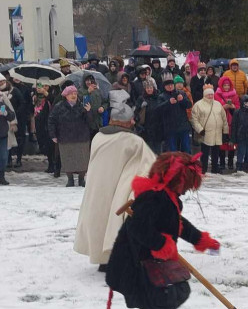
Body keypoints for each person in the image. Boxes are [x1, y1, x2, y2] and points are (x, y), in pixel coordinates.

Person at [103, 152, 220, 309]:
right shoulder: (154, 199)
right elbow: (137, 228)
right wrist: (159, 244)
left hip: (143, 270)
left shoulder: (167, 198)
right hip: (134, 273)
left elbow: (176, 223)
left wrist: (199, 239)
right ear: (177, 178)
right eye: (187, 183)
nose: (189, 189)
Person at [74, 96, 157, 269]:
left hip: (98, 188)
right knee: (112, 221)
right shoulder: (134, 141)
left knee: (99, 219)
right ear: (127, 122)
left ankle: (103, 260)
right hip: (118, 189)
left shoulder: (98, 137)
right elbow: (150, 165)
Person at [49, 85, 92, 187]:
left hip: (81, 137)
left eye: (75, 93)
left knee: (82, 160)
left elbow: (90, 121)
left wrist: (88, 111)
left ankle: (81, 179)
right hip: (65, 137)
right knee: (68, 159)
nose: (74, 95)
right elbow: (51, 120)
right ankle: (70, 179)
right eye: (71, 94)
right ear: (66, 96)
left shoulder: (82, 105)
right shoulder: (59, 106)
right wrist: (53, 135)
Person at [191, 85, 228, 174]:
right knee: (205, 152)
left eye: (212, 94)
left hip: (217, 132)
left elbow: (224, 118)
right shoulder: (198, 105)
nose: (211, 96)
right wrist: (200, 129)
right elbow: (194, 119)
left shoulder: (218, 104)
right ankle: (203, 168)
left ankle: (215, 168)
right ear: (205, 95)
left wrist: (225, 131)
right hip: (205, 132)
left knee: (216, 151)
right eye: (209, 95)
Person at [156, 74, 193, 153]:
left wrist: (182, 100)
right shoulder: (161, 96)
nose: (170, 86)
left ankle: (187, 165)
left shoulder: (181, 93)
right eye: (168, 85)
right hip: (170, 129)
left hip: (183, 127)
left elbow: (189, 105)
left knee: (186, 149)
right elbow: (158, 109)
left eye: (171, 84)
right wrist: (168, 102)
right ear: (164, 86)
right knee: (172, 151)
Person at [136, 78, 164, 154]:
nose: (149, 89)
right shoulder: (141, 98)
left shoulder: (159, 97)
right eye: (147, 88)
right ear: (145, 89)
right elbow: (136, 112)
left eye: (150, 87)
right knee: (148, 151)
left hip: (158, 129)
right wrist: (140, 107)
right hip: (146, 129)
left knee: (158, 150)